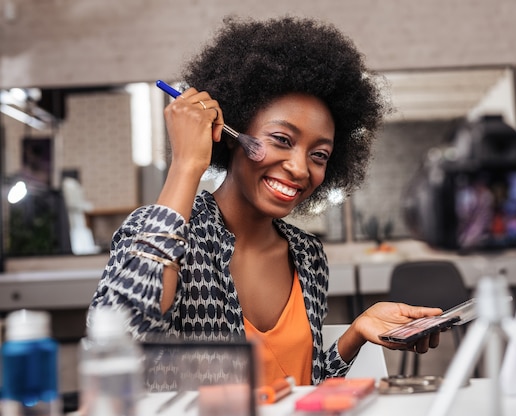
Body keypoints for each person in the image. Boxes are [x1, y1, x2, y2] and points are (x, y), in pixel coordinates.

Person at [88, 16, 443, 387]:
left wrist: (355, 334)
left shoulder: (308, 256)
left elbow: (301, 384)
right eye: (281, 139)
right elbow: (117, 341)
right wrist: (187, 164)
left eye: (319, 155)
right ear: (230, 134)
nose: (299, 167)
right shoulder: (169, 233)